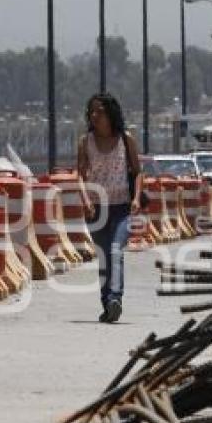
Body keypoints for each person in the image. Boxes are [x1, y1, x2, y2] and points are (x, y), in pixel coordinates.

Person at [77, 93, 143, 323]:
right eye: (92, 112)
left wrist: (135, 199)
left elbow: (137, 172)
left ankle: (115, 297)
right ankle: (108, 304)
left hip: (122, 207)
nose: (95, 116)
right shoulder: (86, 141)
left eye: (100, 111)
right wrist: (84, 198)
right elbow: (80, 175)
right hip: (96, 208)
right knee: (105, 256)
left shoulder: (126, 139)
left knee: (116, 249)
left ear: (110, 113)